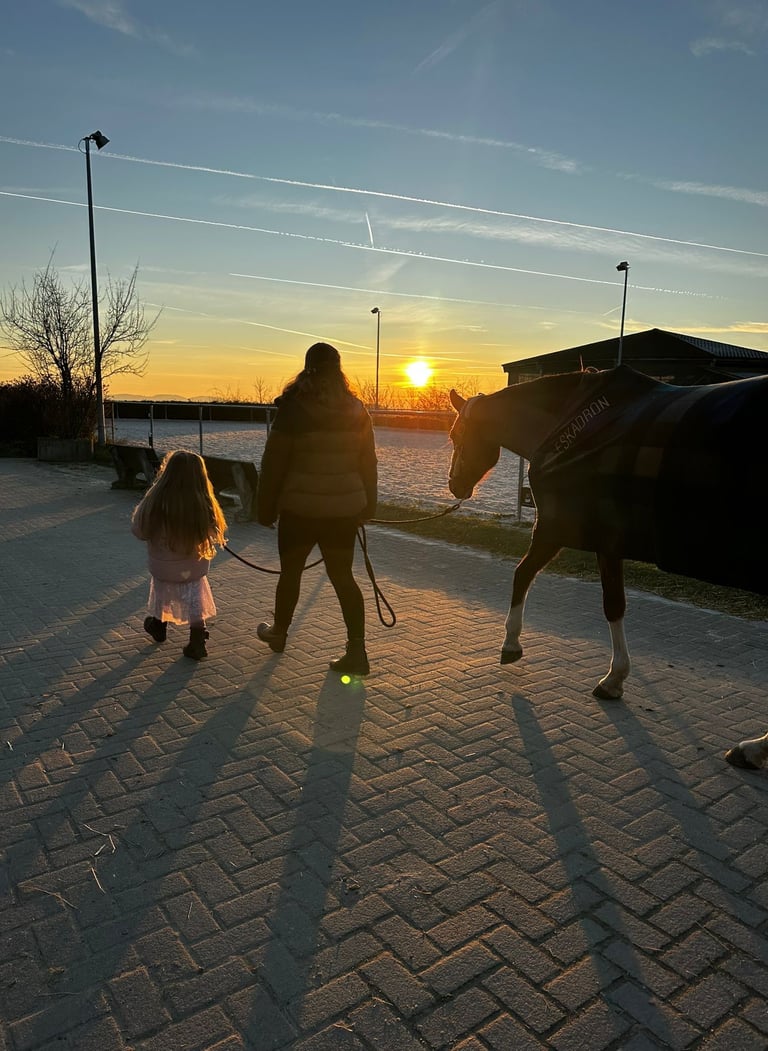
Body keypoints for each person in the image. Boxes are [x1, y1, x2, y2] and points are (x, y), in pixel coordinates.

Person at [256, 342, 378, 676]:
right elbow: (368, 462)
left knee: (291, 572)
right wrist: (368, 504)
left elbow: (273, 464)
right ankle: (357, 651)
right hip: (342, 513)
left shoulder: (293, 409)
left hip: (300, 511)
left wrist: (264, 509)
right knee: (343, 578)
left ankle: (279, 633)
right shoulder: (357, 410)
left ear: (307, 369)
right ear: (339, 371)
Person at [131, 450, 227, 661]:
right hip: (192, 569)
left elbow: (139, 530)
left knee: (162, 588)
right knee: (194, 598)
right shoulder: (203, 503)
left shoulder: (154, 500)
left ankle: (158, 625)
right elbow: (215, 531)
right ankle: (197, 640)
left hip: (162, 566)